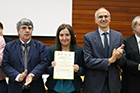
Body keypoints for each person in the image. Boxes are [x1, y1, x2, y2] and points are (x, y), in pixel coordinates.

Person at [82, 7, 125, 93]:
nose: (103, 19)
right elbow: (88, 61)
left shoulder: (118, 36)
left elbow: (123, 62)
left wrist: (118, 57)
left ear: (110, 19)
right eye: (100, 17)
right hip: (94, 84)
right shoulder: (88, 37)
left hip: (112, 84)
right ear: (95, 20)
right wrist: (109, 61)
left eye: (106, 16)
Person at [2, 18, 48, 93]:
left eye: (29, 28)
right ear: (18, 31)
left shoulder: (40, 46)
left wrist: (32, 74)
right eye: (24, 28)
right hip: (15, 88)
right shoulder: (9, 47)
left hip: (35, 88)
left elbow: (43, 63)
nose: (27, 30)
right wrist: (17, 76)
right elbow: (5, 65)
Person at [45, 24, 85, 93]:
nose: (64, 38)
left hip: (73, 88)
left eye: (67, 35)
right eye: (61, 35)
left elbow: (84, 70)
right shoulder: (52, 50)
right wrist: (52, 67)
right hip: (54, 88)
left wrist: (78, 69)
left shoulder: (79, 50)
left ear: (71, 36)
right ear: (58, 37)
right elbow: (46, 69)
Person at [121, 15, 140, 93]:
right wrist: (138, 66)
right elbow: (123, 61)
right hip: (132, 84)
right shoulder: (125, 42)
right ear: (134, 27)